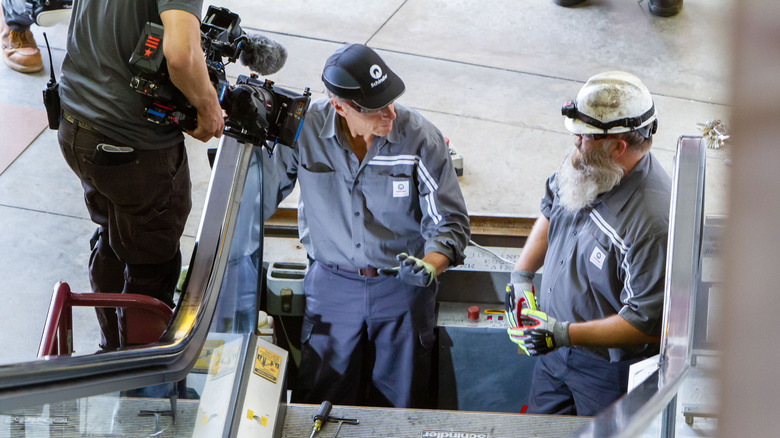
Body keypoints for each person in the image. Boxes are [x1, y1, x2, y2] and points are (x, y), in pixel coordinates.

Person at [262, 43, 470, 408]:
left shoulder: (421, 139)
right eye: (374, 108)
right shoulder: (303, 132)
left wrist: (430, 265)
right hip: (331, 287)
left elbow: (450, 222)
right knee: (323, 396)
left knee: (402, 402)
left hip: (402, 289)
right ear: (338, 106)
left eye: (390, 100)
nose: (389, 113)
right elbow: (256, 198)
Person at [57, 1, 224, 350]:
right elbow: (180, 56)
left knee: (114, 233)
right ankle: (139, 376)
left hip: (77, 125)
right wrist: (208, 106)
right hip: (133, 145)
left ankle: (111, 350)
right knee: (152, 261)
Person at [505, 71, 671, 416]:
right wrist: (522, 275)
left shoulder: (651, 222)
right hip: (552, 350)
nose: (576, 145)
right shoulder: (588, 162)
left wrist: (566, 334)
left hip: (605, 374)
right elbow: (552, 208)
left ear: (618, 146)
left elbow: (646, 323)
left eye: (584, 138)